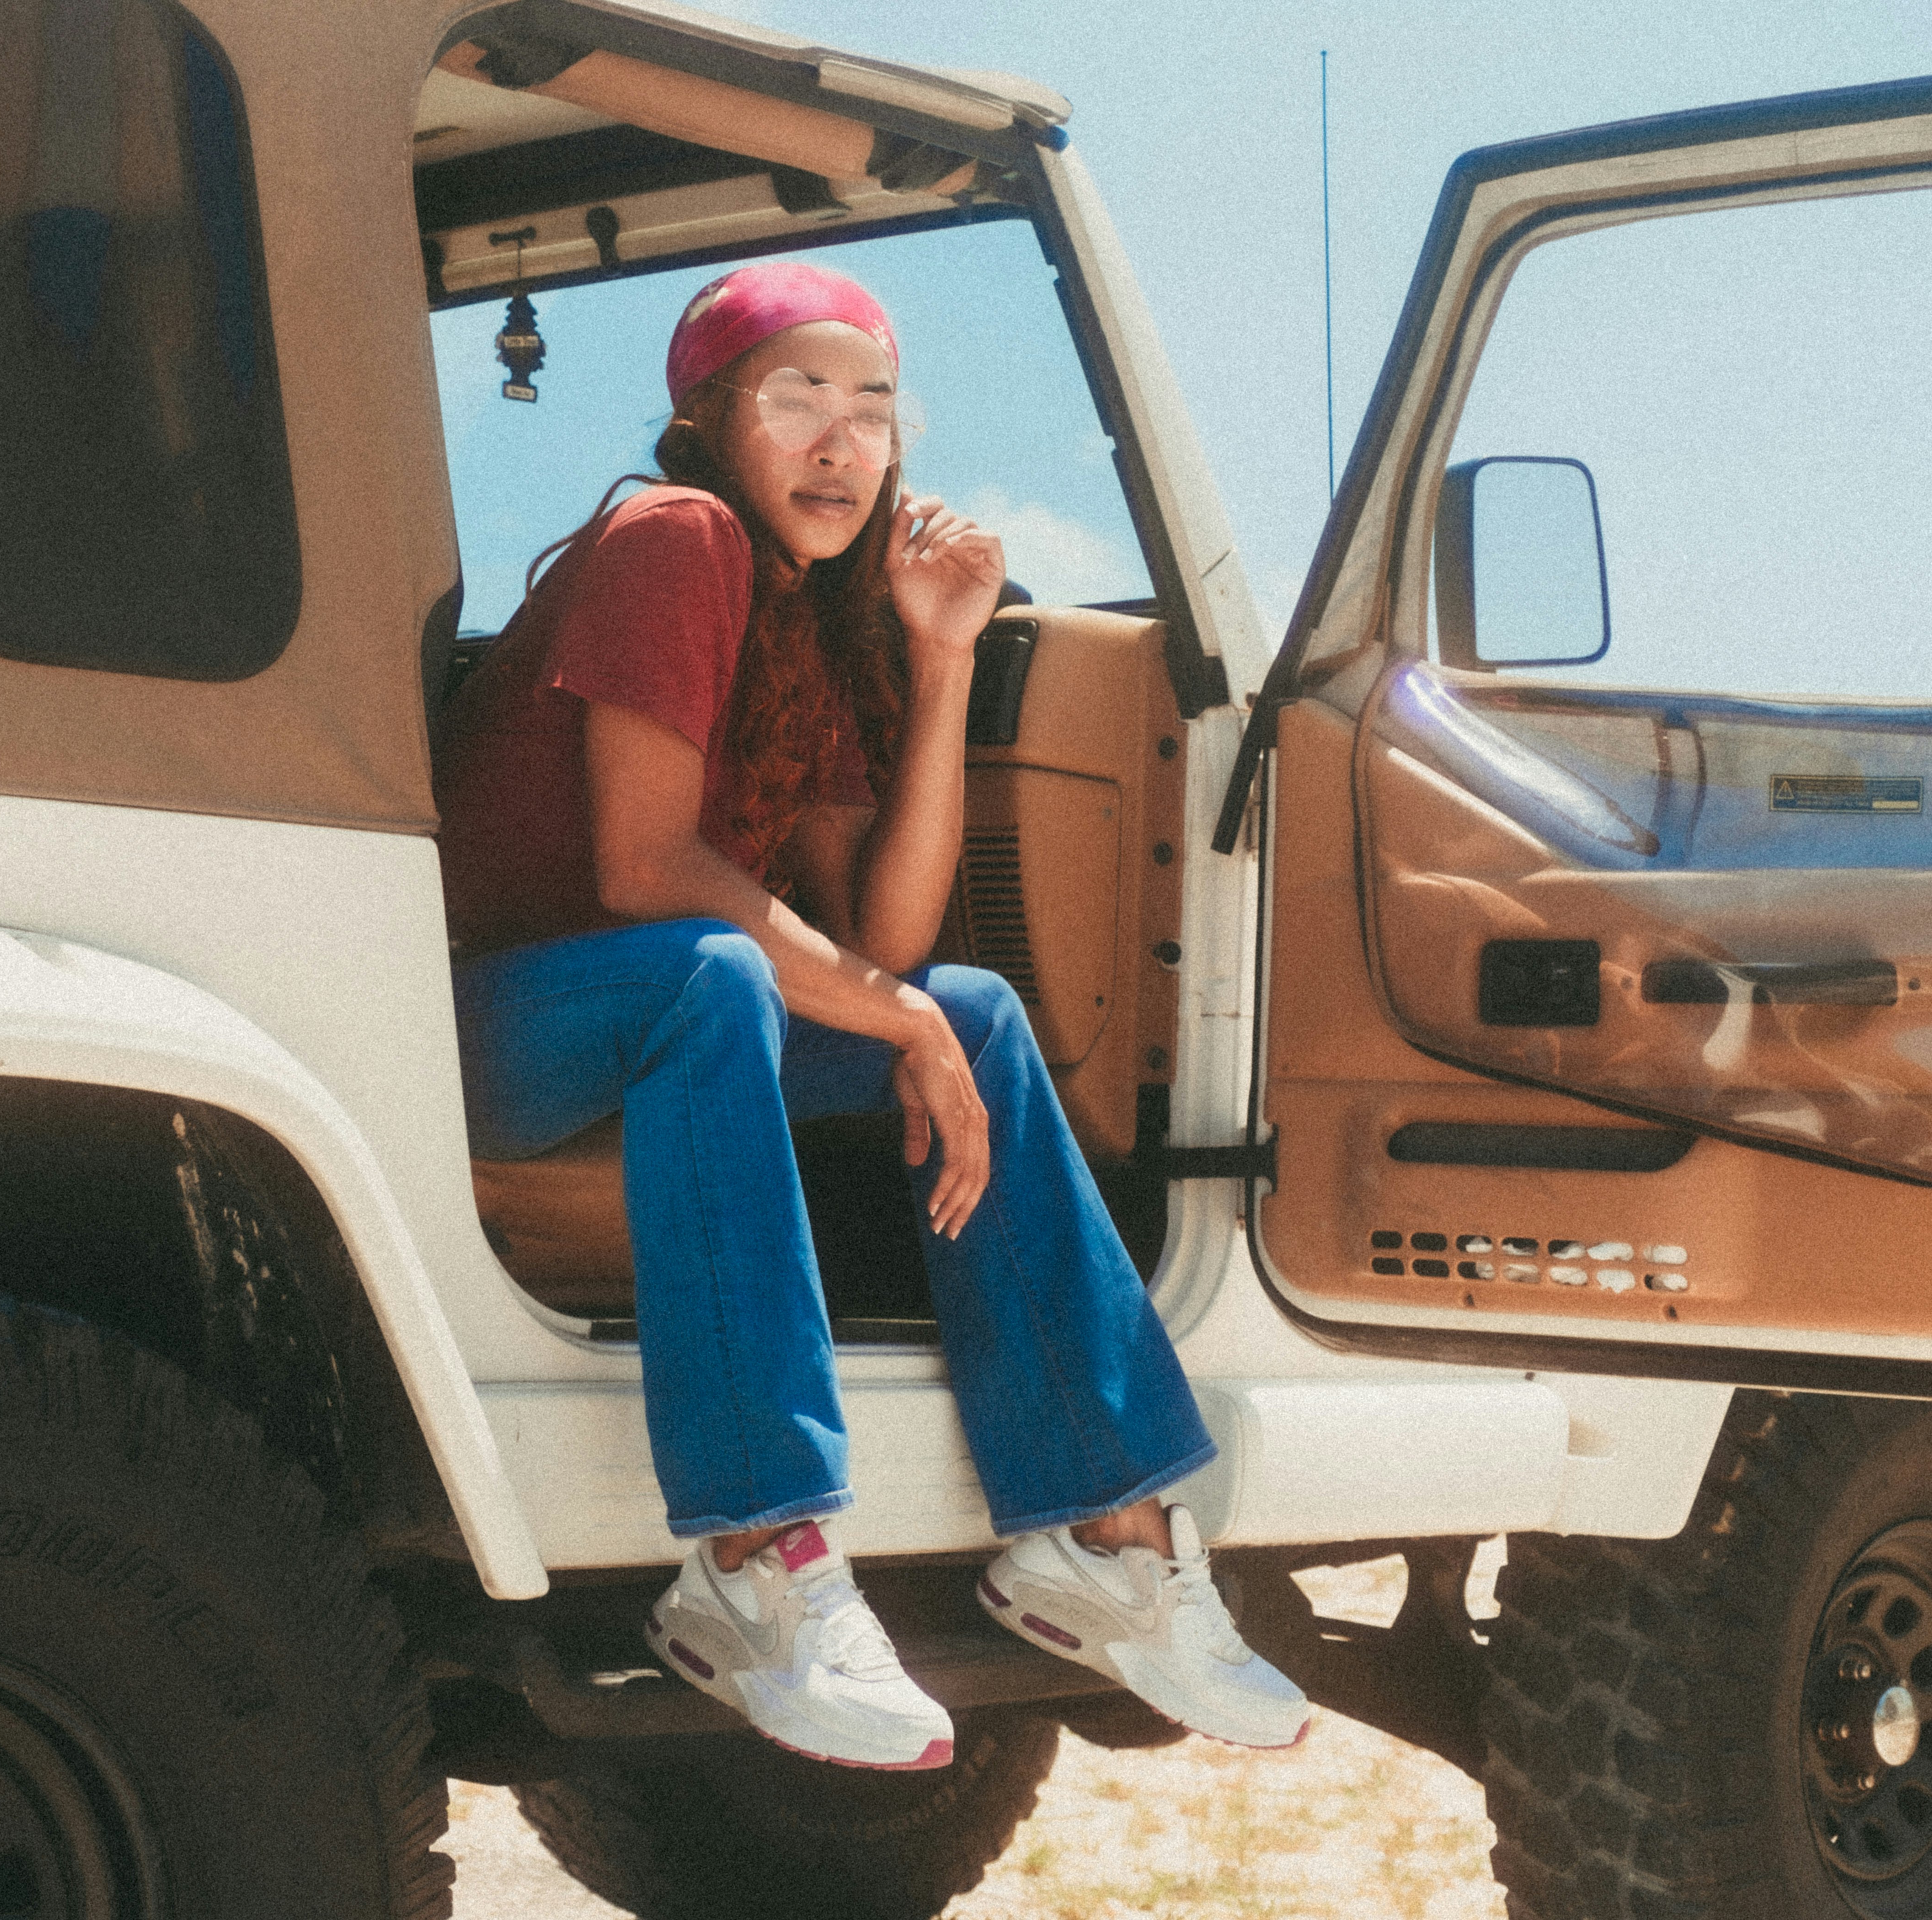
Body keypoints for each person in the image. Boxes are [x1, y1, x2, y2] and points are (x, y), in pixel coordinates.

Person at [433, 260, 1308, 1769]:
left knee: (968, 1004)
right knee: (728, 978)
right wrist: (892, 1026)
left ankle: (1104, 1536)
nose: (842, 444)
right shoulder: (675, 534)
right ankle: (757, 1558)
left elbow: (886, 939)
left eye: (874, 411)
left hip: (651, 1014)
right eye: (798, 403)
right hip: (479, 1025)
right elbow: (648, 872)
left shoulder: (809, 627)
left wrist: (942, 652)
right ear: (711, 423)